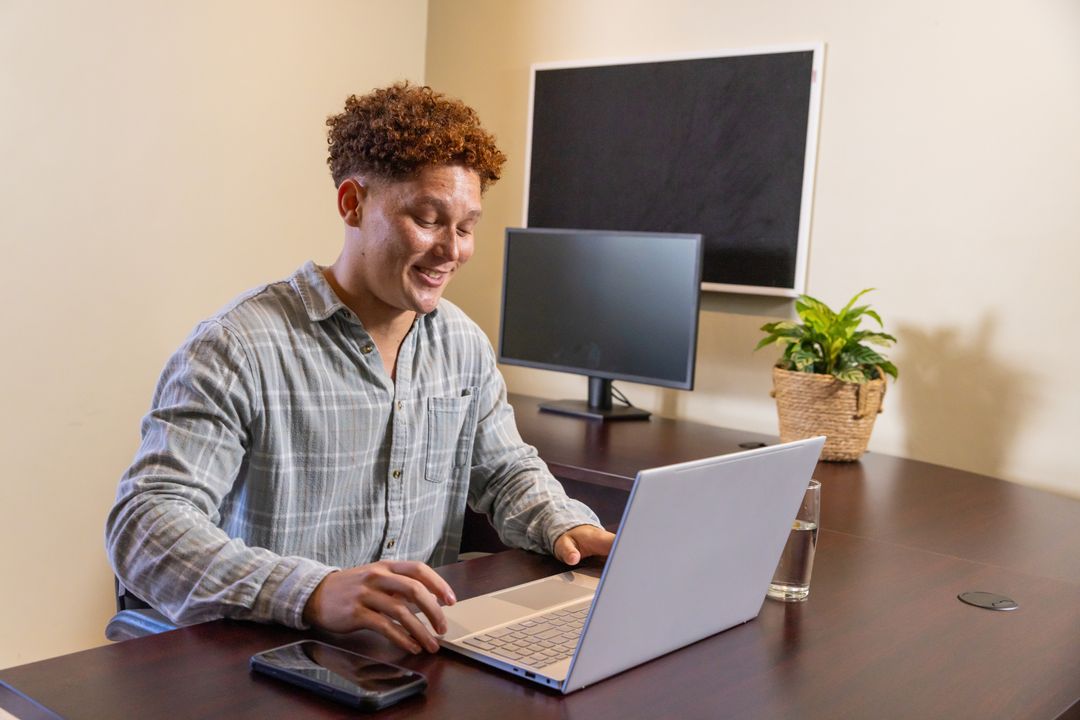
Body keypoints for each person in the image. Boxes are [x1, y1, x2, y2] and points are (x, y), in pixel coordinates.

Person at [106, 82, 614, 655]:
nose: (452, 251)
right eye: (427, 219)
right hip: (266, 660)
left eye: (467, 227)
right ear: (352, 203)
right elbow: (144, 524)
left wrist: (566, 526)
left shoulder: (462, 344)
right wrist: (313, 590)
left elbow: (504, 470)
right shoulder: (237, 347)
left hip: (405, 658)